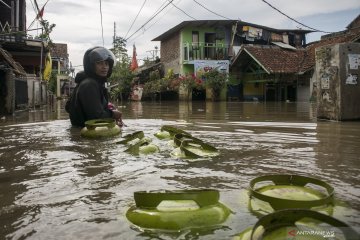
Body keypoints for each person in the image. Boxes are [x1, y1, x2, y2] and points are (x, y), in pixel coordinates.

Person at [66, 46, 123, 127]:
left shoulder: (88, 82)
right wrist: (113, 114)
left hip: (83, 132)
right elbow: (96, 117)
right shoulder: (89, 85)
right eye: (99, 63)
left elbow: (68, 107)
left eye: (106, 63)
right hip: (87, 134)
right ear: (91, 66)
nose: (104, 67)